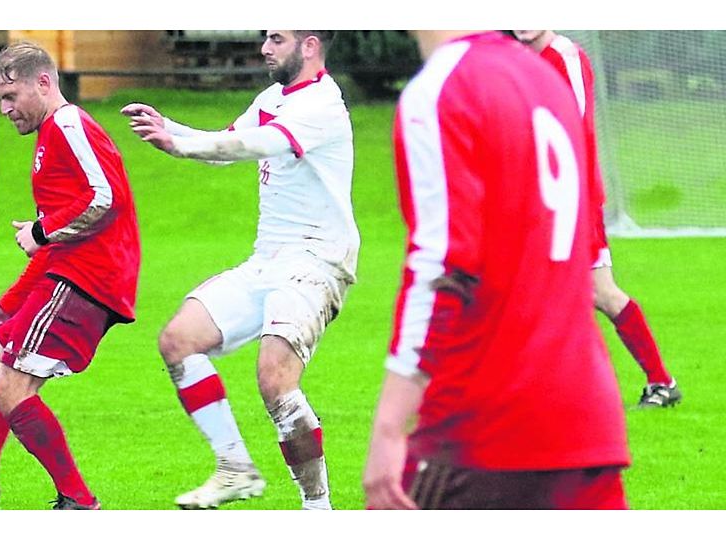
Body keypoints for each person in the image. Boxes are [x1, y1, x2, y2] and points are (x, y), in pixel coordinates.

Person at [362, 31, 630, 510]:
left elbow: (443, 264)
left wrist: (389, 423)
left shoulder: (445, 85)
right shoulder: (544, 79)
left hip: (485, 422)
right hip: (587, 418)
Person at [120, 30, 357, 510]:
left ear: (309, 46)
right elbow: (229, 141)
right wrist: (170, 128)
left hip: (316, 261)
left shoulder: (323, 105)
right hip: (268, 261)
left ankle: (319, 510)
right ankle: (235, 469)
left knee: (274, 377)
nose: (265, 48)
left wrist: (180, 147)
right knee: (178, 340)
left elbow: (256, 146)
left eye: (276, 38)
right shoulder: (273, 97)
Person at [0, 41, 141, 510]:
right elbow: (56, 242)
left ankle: (78, 501)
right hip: (71, 274)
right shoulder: (49, 137)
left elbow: (105, 198)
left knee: (10, 385)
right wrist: (9, 302)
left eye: (11, 96)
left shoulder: (68, 124)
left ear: (44, 83)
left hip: (89, 280)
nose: (4, 109)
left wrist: (41, 231)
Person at [513, 30, 681, 408]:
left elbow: (572, 131)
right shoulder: (520, 60)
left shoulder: (564, 57)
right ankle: (654, 383)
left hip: (572, 201)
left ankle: (655, 382)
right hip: (539, 202)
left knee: (593, 293)